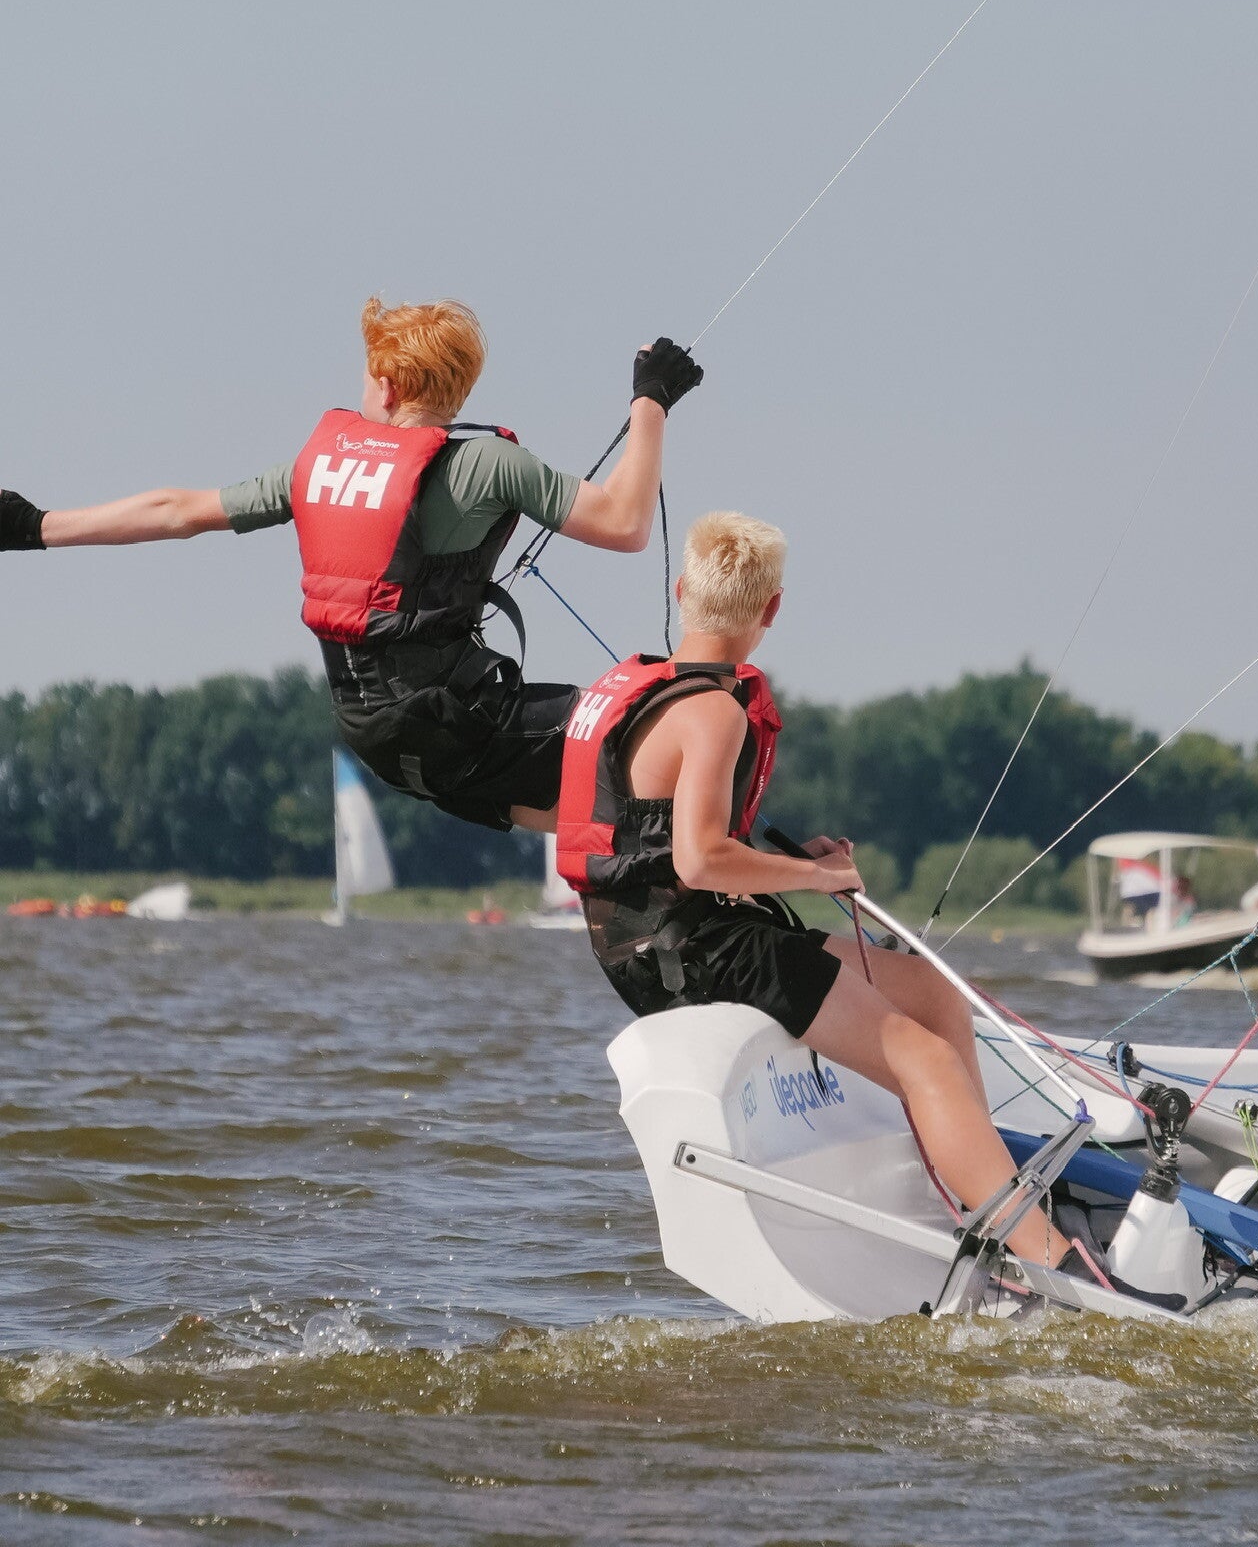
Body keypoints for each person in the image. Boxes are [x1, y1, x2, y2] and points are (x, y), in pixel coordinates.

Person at [556, 508, 1074, 1272]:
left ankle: (986, 1188)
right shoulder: (713, 713)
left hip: (678, 939)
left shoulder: (644, 690)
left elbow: (668, 843)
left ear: (681, 592)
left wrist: (801, 862)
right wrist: (818, 876)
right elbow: (700, 861)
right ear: (771, 610)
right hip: (687, 954)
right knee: (925, 1061)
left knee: (933, 995)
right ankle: (1047, 1261)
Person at [0, 297, 702, 835]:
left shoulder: (319, 469)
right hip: (454, 727)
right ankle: (708, 877)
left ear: (388, 387)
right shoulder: (492, 463)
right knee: (668, 719)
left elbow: (176, 510)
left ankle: (669, 865)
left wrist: (36, 526)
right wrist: (651, 399)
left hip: (380, 742)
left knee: (580, 807)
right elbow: (625, 523)